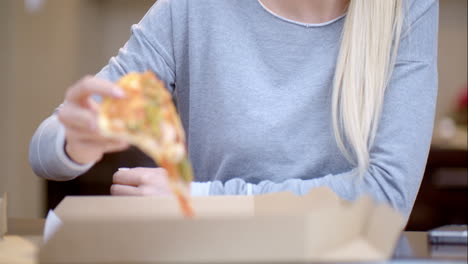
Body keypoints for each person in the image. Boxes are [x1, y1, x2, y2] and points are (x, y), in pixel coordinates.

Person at [29, 0, 439, 220]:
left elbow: (386, 198)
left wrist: (202, 198)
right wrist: (75, 142)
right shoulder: (191, 9)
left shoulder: (406, 8)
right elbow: (44, 151)